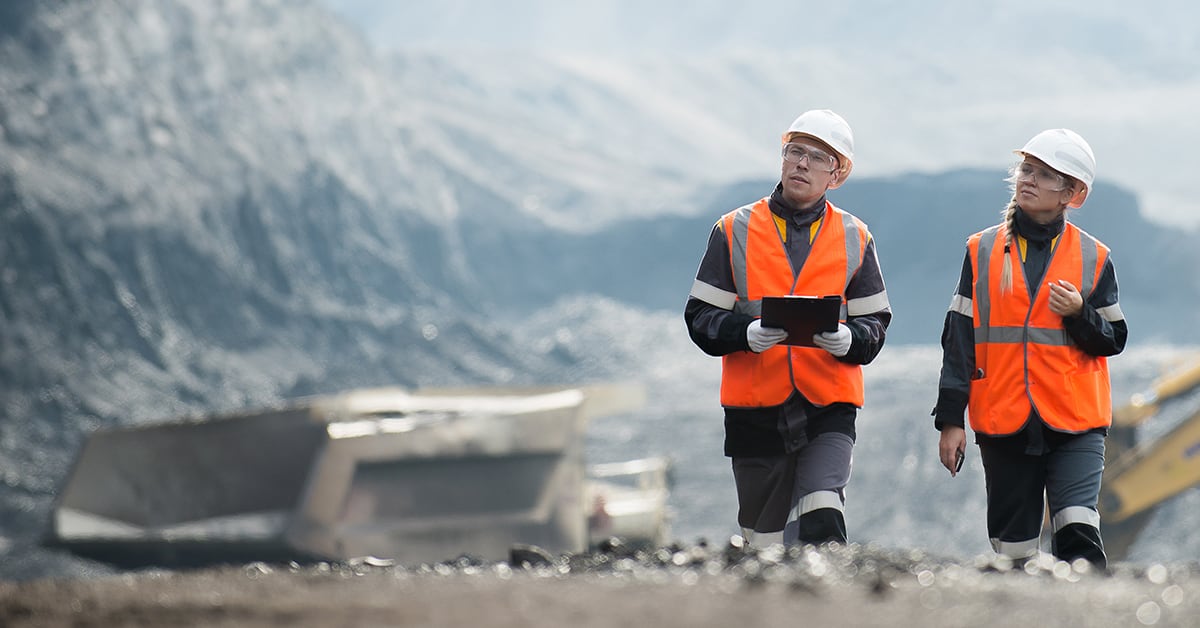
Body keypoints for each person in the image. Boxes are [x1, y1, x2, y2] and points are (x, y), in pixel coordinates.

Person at [684, 109, 891, 547]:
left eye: (817, 157)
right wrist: (744, 333)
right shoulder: (733, 230)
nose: (802, 163)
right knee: (763, 543)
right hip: (755, 410)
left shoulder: (856, 237)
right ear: (782, 159)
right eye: (795, 151)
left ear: (837, 175)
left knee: (822, 516)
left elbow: (875, 322)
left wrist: (850, 340)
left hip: (827, 406)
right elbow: (700, 317)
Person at [932, 128, 1126, 569]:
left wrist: (1080, 313)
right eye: (1026, 169)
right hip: (1004, 421)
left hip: (1076, 421)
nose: (1028, 179)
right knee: (1013, 553)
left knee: (1078, 532)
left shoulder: (1094, 257)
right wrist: (950, 420)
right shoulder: (981, 250)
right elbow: (959, 339)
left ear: (1072, 194)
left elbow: (1113, 338)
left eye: (1044, 175)